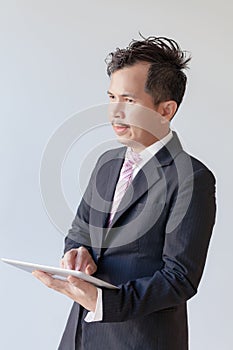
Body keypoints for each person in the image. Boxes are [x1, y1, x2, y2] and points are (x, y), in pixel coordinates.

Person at [33, 35, 216, 350]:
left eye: (129, 101)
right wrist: (77, 254)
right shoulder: (107, 163)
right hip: (79, 337)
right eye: (111, 97)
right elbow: (79, 232)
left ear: (165, 110)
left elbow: (180, 278)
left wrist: (105, 302)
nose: (114, 112)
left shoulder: (193, 178)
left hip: (139, 340)